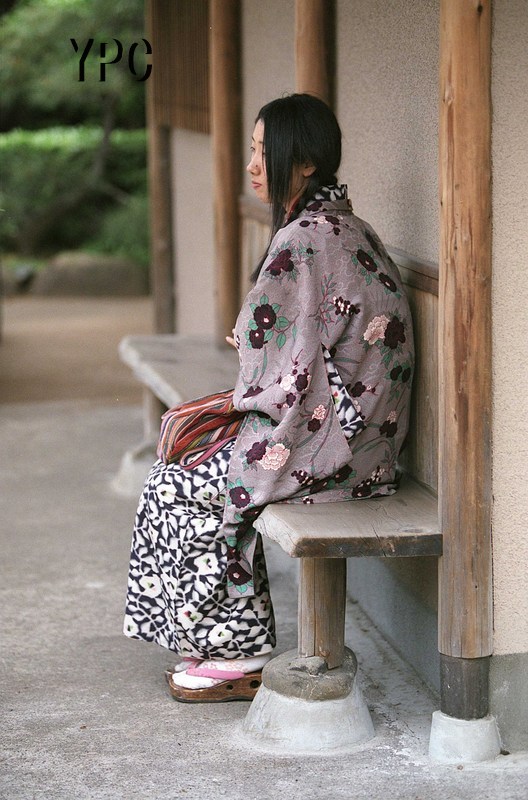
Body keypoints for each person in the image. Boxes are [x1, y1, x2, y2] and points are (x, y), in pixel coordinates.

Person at [124, 93, 414, 703]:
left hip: (333, 446)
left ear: (305, 163)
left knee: (180, 482)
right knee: (189, 470)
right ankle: (226, 639)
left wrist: (252, 350)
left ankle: (239, 650)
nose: (254, 164)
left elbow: (276, 355)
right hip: (364, 441)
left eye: (265, 151)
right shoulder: (347, 226)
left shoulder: (303, 239)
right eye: (253, 149)